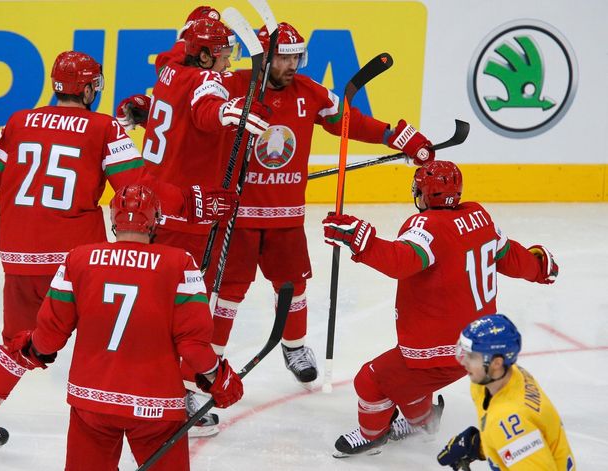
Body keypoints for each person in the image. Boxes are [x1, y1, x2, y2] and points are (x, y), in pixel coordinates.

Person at [0, 50, 236, 453]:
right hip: (78, 262)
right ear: (88, 89)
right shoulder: (101, 128)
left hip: (18, 256)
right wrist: (194, 203)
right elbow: (139, 188)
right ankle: (175, 405)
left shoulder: (18, 123)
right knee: (131, 328)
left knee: (24, 341)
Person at [0, 184, 244, 470]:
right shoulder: (180, 263)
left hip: (91, 403)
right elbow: (193, 348)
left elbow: (48, 340)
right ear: (156, 222)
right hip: (156, 407)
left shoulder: (79, 259)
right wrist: (220, 379)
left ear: (113, 220)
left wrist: (29, 347)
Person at [209, 22, 436, 388]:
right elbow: (195, 109)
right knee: (228, 293)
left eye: (296, 56)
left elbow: (348, 120)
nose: (292, 65)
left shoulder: (309, 92)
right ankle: (210, 363)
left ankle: (294, 347)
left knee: (294, 286)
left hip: (286, 216)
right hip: (238, 216)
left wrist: (397, 136)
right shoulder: (232, 86)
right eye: (284, 57)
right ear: (263, 59)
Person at [321, 160, 559, 457]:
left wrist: (362, 242)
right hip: (476, 342)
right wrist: (538, 267)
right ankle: (423, 423)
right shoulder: (480, 217)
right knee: (408, 375)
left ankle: (372, 435)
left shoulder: (426, 226)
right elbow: (509, 256)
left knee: (370, 380)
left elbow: (401, 260)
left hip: (441, 350)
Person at [116, 15, 270, 437]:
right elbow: (206, 110)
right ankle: (170, 396)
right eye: (222, 54)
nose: (226, 62)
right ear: (203, 53)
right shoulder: (208, 81)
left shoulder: (169, 68)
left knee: (151, 296)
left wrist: (146, 110)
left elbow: (185, 112)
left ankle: (137, 384)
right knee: (181, 307)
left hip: (154, 202)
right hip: (187, 212)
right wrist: (231, 111)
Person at [437, 314, 575, 470]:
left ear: (496, 363)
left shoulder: (508, 418)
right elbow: (516, 440)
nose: (464, 362)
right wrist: (478, 445)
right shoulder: (501, 378)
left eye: (472, 357)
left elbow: (513, 432)